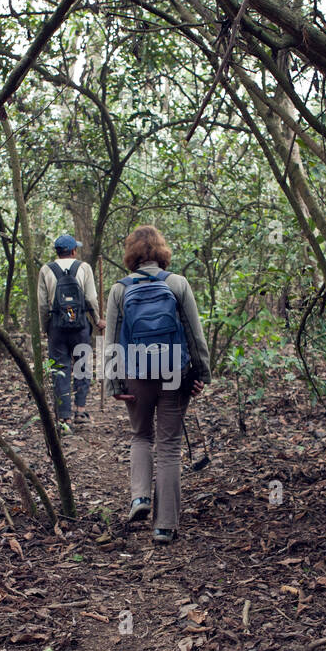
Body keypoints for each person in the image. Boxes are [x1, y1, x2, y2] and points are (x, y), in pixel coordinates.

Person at [104, 225, 211, 545]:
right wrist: (201, 374)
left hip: (136, 374)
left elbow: (110, 341)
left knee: (140, 436)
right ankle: (164, 526)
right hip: (174, 374)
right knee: (168, 447)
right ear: (162, 252)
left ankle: (140, 498)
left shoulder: (119, 290)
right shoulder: (178, 284)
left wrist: (113, 383)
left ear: (131, 255)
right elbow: (195, 334)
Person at [38, 233, 105, 430]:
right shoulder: (84, 268)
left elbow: (42, 304)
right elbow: (91, 298)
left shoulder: (46, 270)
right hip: (80, 325)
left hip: (57, 326)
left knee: (60, 369)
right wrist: (98, 319)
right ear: (74, 251)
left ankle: (64, 417)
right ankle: (80, 410)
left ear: (57, 252)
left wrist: (45, 327)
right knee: (82, 366)